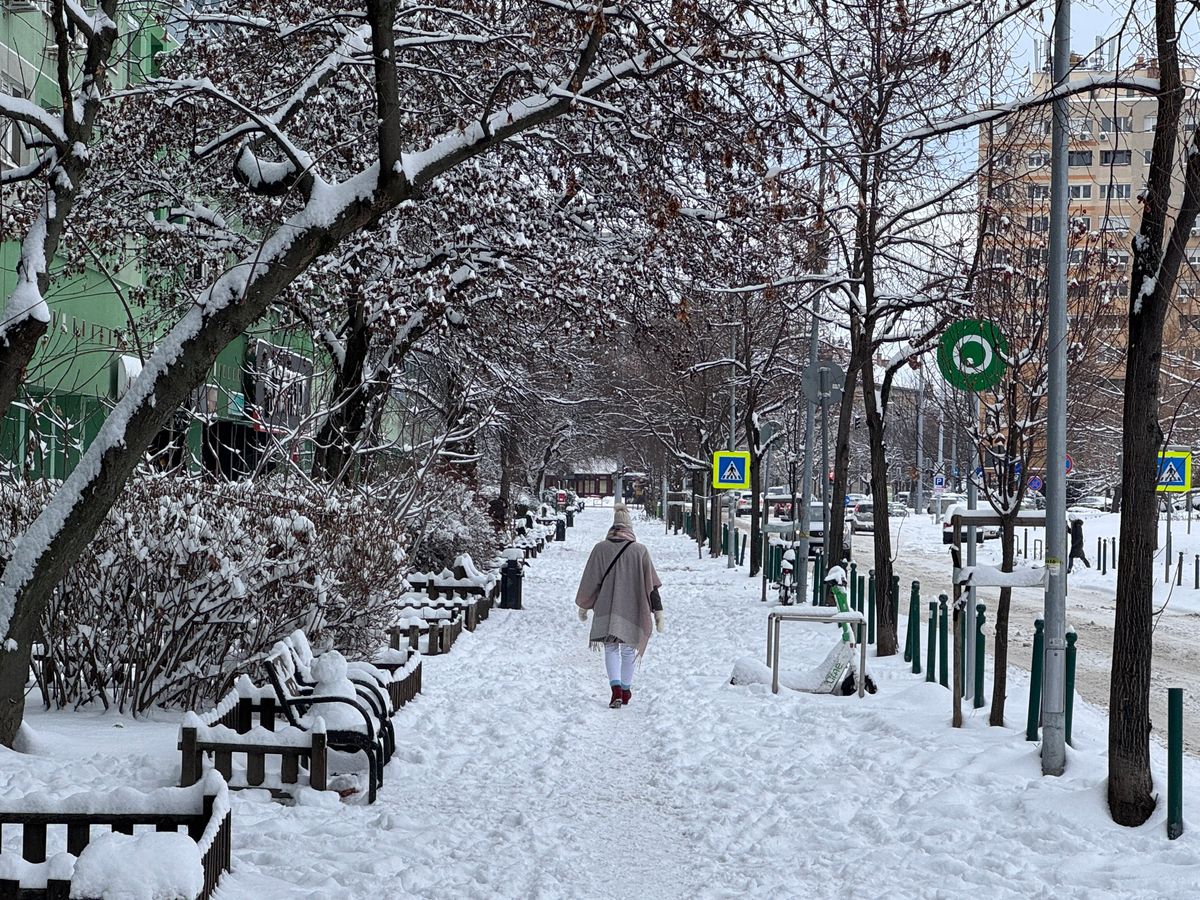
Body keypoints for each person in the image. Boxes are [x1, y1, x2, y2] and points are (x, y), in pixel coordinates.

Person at [575, 504, 664, 708]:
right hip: (632, 609)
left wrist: (584, 606)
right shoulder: (640, 551)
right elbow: (651, 584)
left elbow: (590, 580)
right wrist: (658, 611)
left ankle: (615, 689)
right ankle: (625, 690)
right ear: (630, 528)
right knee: (627, 651)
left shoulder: (600, 549)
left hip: (606, 608)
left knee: (611, 648)